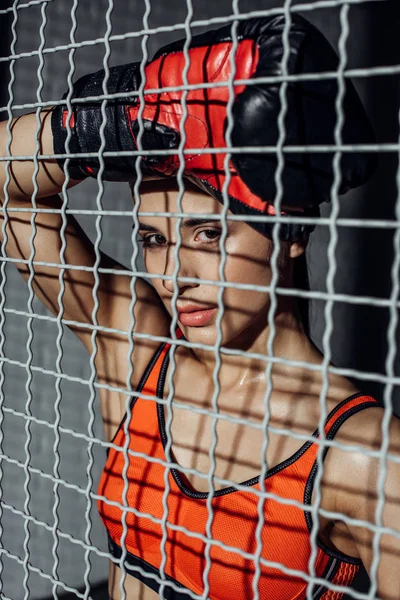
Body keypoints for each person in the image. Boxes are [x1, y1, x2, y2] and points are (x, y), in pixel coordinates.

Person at [0, 13, 399, 600]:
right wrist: (102, 126)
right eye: (154, 240)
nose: (174, 275)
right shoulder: (137, 354)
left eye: (209, 235)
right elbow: (9, 181)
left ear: (290, 233)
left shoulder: (362, 453)